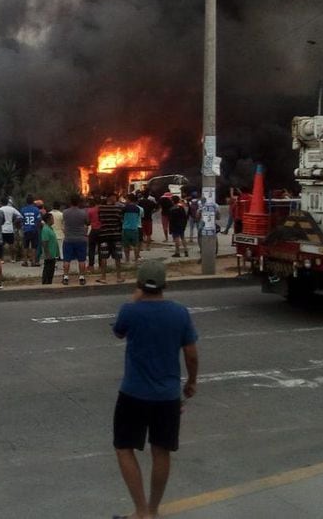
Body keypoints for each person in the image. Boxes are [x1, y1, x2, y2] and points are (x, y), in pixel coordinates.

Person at [112, 260, 199, 519]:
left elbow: (118, 333)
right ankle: (153, 509)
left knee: (124, 448)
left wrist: (135, 297)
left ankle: (141, 512)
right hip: (168, 396)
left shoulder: (130, 310)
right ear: (166, 284)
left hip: (133, 393)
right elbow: (191, 354)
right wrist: (192, 381)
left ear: (138, 284)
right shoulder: (180, 313)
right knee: (161, 451)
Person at [61, 194, 90, 285]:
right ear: (79, 202)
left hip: (68, 239)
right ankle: (81, 277)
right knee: (81, 259)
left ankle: (66, 277)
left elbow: (64, 222)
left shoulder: (65, 212)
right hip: (81, 239)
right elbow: (87, 222)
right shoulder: (83, 213)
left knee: (67, 260)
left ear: (70, 202)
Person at [97, 193, 125, 282]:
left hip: (104, 235)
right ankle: (119, 277)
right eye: (114, 198)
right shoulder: (118, 209)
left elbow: (99, 219)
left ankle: (103, 277)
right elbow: (121, 221)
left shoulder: (100, 208)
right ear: (110, 198)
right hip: (116, 236)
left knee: (103, 256)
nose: (115, 200)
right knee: (117, 257)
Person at [19, 195, 42, 267]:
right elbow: (39, 220)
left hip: (26, 230)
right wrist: (37, 227)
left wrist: (22, 227)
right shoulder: (36, 210)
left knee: (25, 246)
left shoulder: (23, 210)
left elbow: (21, 220)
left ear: (26, 202)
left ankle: (25, 261)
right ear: (33, 202)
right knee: (34, 246)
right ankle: (33, 261)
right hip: (34, 230)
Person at [0, 197, 22, 262]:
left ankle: (2, 259)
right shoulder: (12, 209)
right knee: (11, 244)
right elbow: (20, 216)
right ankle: (12, 258)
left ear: (1, 203)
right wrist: (14, 222)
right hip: (10, 228)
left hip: (2, 229)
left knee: (1, 245)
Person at [39, 212, 60, 285]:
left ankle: (49, 282)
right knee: (48, 270)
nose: (53, 220)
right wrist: (47, 253)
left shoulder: (50, 228)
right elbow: (45, 242)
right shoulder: (45, 229)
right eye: (52, 219)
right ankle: (45, 283)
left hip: (53, 254)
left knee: (51, 270)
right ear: (48, 220)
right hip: (49, 254)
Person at [121, 194, 142, 263]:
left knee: (126, 246)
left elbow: (121, 217)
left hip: (126, 228)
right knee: (135, 245)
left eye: (126, 199)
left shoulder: (125, 208)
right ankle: (136, 259)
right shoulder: (137, 209)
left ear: (129, 199)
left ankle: (127, 260)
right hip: (135, 228)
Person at [86, 196, 101, 269]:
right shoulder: (101, 209)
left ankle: (91, 265)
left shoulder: (90, 210)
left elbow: (88, 221)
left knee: (91, 248)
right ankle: (101, 265)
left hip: (94, 230)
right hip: (101, 230)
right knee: (101, 248)